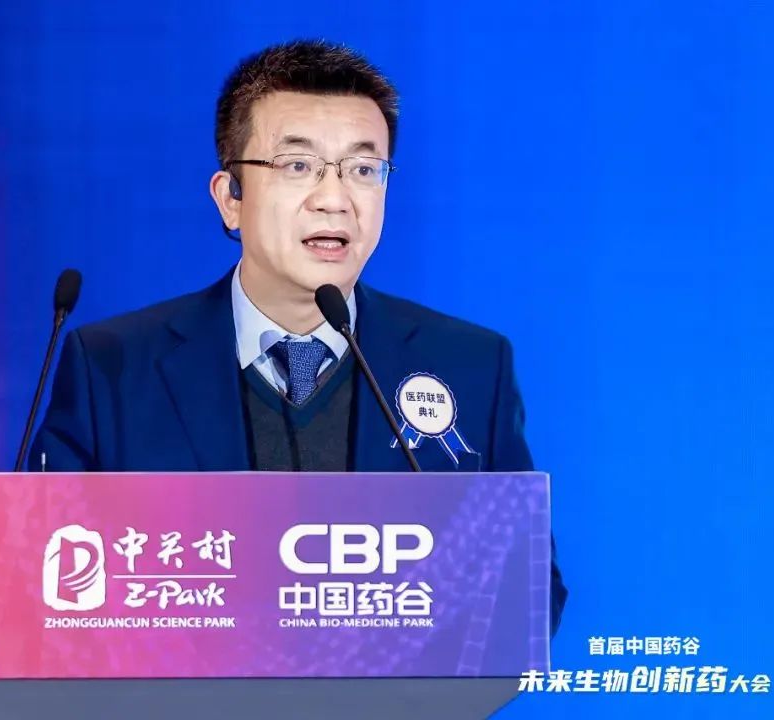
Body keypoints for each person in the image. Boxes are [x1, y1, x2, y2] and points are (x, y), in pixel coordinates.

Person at [31, 39, 567, 634]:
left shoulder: (470, 365)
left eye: (363, 170)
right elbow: (46, 583)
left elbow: (529, 595)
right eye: (297, 166)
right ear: (231, 199)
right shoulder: (111, 368)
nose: (334, 200)